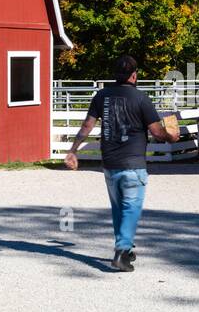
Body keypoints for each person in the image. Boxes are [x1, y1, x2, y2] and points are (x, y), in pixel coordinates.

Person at [64, 55, 179, 271]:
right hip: (134, 164)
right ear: (134, 75)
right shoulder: (141, 99)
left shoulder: (101, 96)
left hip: (109, 163)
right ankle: (121, 251)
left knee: (118, 209)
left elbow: (87, 126)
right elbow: (156, 132)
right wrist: (171, 136)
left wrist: (73, 150)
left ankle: (125, 249)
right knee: (131, 208)